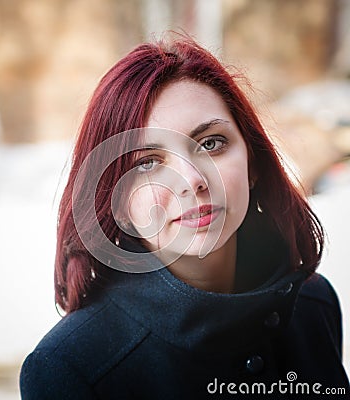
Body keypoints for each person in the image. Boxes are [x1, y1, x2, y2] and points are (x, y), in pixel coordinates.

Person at [20, 35, 349, 399]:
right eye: (147, 163)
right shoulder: (71, 367)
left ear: (252, 162)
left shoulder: (312, 305)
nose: (192, 179)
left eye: (211, 143)